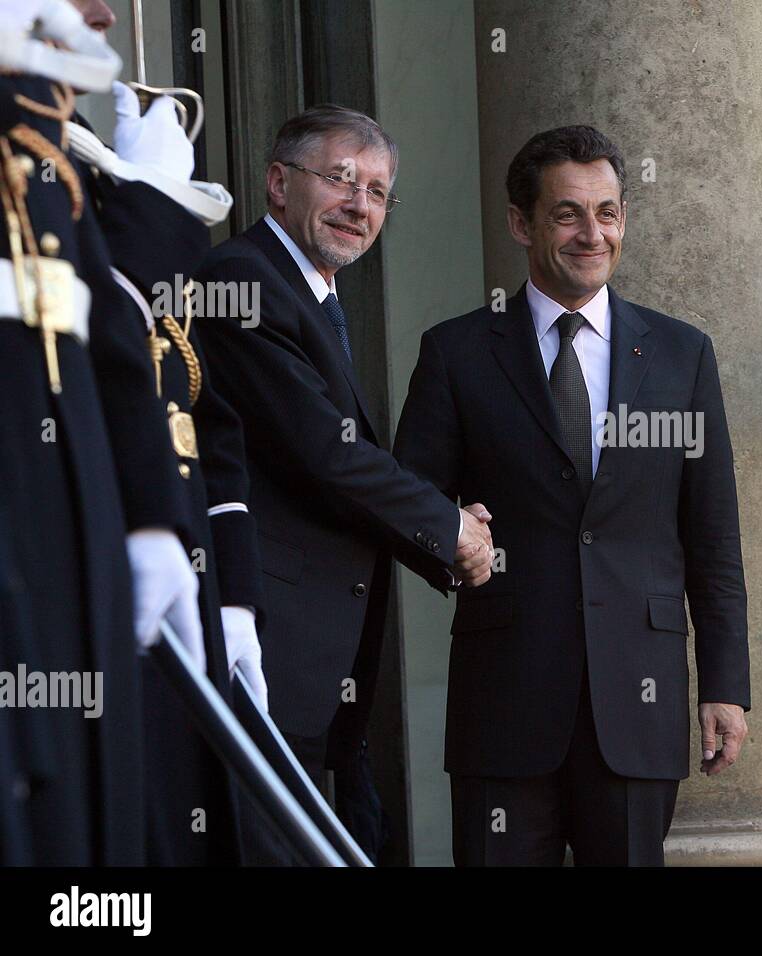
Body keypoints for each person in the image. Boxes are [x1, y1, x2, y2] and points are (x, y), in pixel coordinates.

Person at [393, 124, 751, 866]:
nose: (593, 233)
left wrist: (725, 685)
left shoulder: (682, 355)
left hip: (638, 699)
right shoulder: (457, 352)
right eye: (567, 213)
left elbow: (712, 534)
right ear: (523, 223)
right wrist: (451, 538)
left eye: (608, 212)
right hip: (505, 699)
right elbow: (408, 498)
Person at [195, 105, 493, 862]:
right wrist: (448, 529)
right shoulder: (243, 280)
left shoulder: (315, 298)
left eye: (379, 191)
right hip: (264, 642)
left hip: (323, 667)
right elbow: (326, 458)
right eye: (341, 179)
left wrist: (444, 525)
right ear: (277, 183)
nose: (361, 206)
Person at [0, 0, 206, 864]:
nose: (102, 12)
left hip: (73, 540)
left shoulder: (41, 136)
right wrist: (155, 199)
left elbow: (115, 343)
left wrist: (151, 521)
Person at [65, 0, 268, 864]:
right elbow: (105, 311)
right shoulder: (43, 172)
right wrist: (152, 197)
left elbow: (203, 419)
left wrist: (235, 598)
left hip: (179, 579)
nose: (105, 11)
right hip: (80, 578)